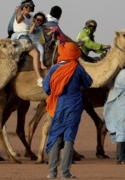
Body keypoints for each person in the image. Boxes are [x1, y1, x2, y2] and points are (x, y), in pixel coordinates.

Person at [43, 42, 93, 179]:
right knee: (69, 137)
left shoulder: (54, 69)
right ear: (74, 53)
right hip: (74, 106)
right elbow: (89, 82)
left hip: (57, 106)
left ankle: (52, 173)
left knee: (55, 136)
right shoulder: (77, 68)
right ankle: (65, 173)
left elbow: (46, 88)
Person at [9, 0, 44, 87]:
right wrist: (20, 14)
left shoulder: (32, 17)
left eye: (30, 7)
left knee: (40, 50)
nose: (28, 8)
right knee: (36, 54)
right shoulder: (20, 15)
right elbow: (19, 19)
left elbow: (33, 28)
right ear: (22, 7)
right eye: (26, 7)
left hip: (28, 39)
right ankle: (39, 78)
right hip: (20, 38)